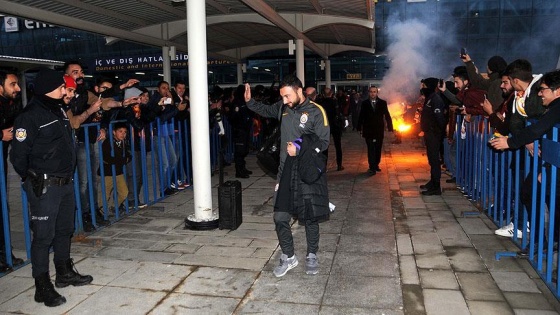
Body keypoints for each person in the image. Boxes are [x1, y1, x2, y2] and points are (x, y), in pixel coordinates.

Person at [10, 68, 93, 307]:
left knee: (64, 230)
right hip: (45, 185)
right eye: (60, 87)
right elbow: (18, 156)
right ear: (48, 88)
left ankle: (64, 272)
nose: (64, 90)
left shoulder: (57, 109)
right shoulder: (30, 116)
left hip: (65, 183)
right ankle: (41, 285)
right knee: (43, 237)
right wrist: (30, 179)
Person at [245, 75, 330, 277]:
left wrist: (299, 147)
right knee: (280, 216)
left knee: (309, 216)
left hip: (306, 171)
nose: (285, 101)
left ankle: (311, 255)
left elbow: (323, 142)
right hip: (285, 172)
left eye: (288, 96)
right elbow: (266, 110)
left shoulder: (316, 112)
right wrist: (249, 102)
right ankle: (289, 256)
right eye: (282, 97)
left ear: (300, 91)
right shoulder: (284, 107)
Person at [490, 69, 560, 239]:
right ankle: (548, 239)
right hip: (551, 161)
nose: (540, 94)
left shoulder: (557, 108)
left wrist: (510, 142)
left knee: (533, 193)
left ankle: (541, 239)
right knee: (542, 196)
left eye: (543, 89)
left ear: (557, 90)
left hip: (554, 162)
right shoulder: (553, 108)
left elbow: (538, 128)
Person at [0, 70, 24, 271]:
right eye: (13, 84)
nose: (17, 88)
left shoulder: (10, 104)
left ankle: (4, 253)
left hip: (2, 164)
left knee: (2, 209)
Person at [419, 78, 447, 195]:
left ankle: (436, 186)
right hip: (429, 133)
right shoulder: (429, 98)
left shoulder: (435, 99)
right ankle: (433, 181)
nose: (421, 88)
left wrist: (438, 132)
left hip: (434, 134)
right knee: (431, 159)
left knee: (435, 160)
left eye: (424, 85)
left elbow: (439, 118)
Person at [356, 86, 393, 175]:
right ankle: (372, 167)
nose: (373, 93)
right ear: (369, 93)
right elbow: (361, 115)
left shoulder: (382, 103)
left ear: (377, 93)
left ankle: (376, 164)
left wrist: (390, 126)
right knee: (370, 148)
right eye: (371, 92)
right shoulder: (365, 103)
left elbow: (387, 115)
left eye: (374, 92)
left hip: (378, 129)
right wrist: (359, 127)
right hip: (368, 129)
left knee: (378, 148)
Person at [100, 122, 131, 216]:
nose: (123, 134)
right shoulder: (108, 142)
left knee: (124, 192)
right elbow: (108, 158)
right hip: (107, 172)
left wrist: (123, 159)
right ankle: (102, 210)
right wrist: (122, 160)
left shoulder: (123, 143)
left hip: (118, 172)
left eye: (125, 132)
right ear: (114, 132)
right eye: (120, 131)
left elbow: (128, 155)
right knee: (105, 193)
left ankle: (114, 206)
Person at [317, 87, 345, 171]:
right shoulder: (335, 102)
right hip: (335, 126)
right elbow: (339, 113)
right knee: (338, 146)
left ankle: (324, 166)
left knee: (325, 147)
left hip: (325, 126)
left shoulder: (321, 103)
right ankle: (339, 165)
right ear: (331, 93)